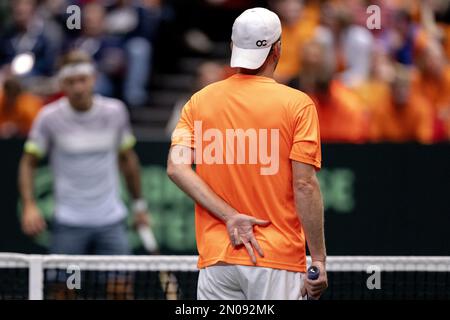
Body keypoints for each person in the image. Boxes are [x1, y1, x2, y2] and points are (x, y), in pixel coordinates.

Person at [167, 8, 327, 300]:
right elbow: (304, 184)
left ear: (232, 47)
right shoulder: (298, 105)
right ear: (277, 49)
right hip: (276, 260)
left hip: (218, 261)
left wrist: (230, 217)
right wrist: (318, 259)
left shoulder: (198, 102)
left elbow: (177, 168)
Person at [18, 50, 150, 256]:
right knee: (63, 288)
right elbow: (28, 163)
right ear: (62, 84)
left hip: (111, 220)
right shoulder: (48, 117)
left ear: (94, 79)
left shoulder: (116, 112)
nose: (78, 88)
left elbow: (128, 160)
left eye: (83, 80)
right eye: (71, 82)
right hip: (69, 222)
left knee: (120, 288)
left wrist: (139, 207)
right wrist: (29, 204)